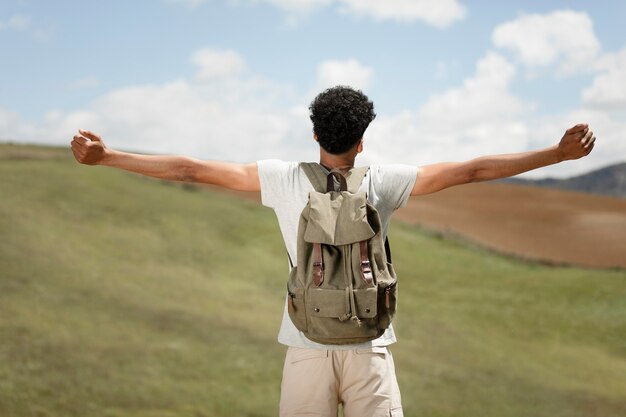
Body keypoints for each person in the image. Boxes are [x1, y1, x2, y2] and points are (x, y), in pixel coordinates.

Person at [70, 85, 596, 417]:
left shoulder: (281, 180)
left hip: (305, 342)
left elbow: (188, 168)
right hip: (370, 344)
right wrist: (557, 152)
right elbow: (474, 169)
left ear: (315, 133)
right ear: (362, 141)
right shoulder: (383, 182)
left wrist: (108, 156)